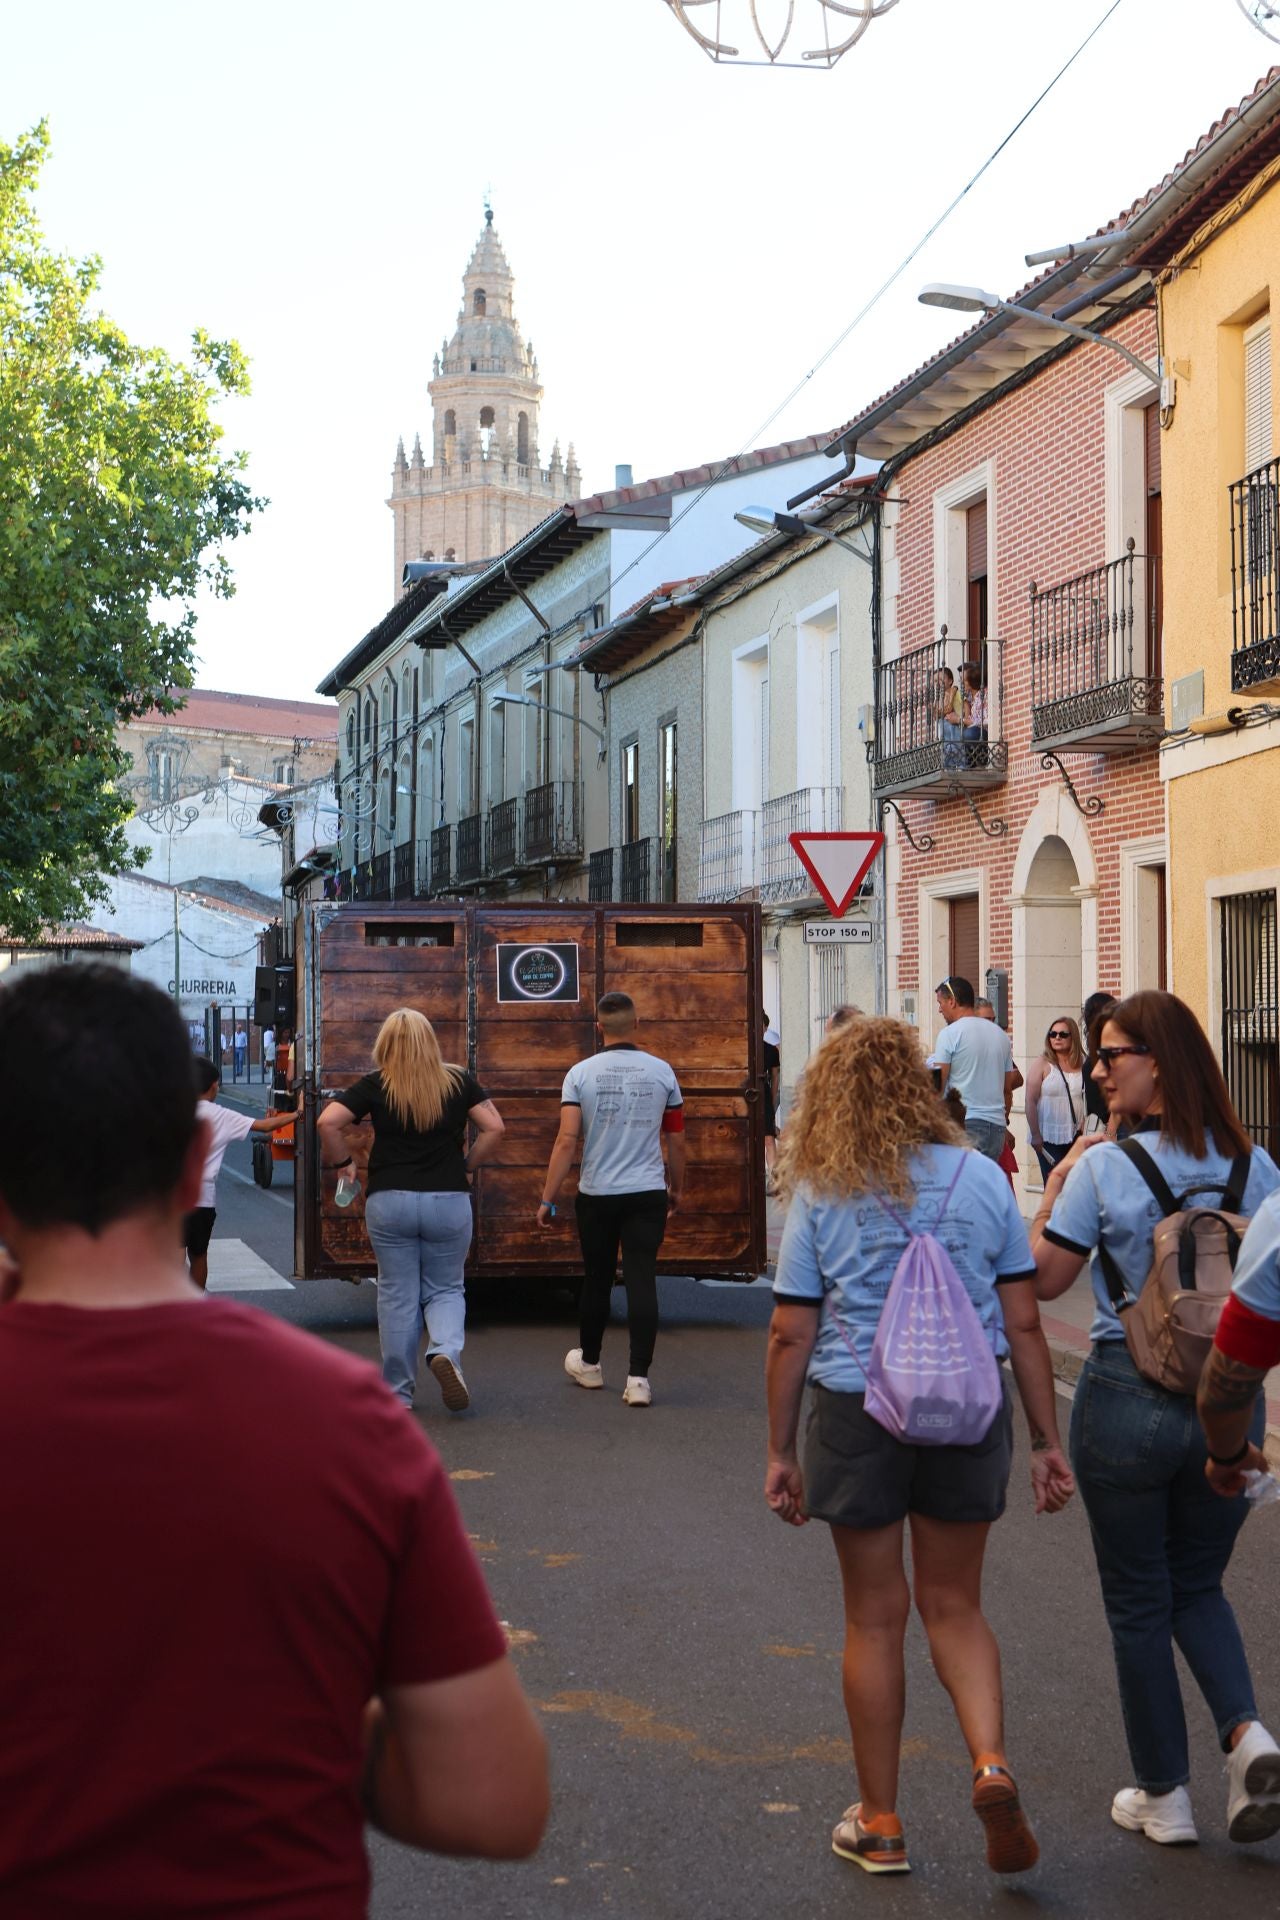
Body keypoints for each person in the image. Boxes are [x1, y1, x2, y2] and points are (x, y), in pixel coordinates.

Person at [0, 964, 548, 1915]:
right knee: (436, 1293)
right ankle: (442, 1352)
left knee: (397, 1297)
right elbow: (493, 1801)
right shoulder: (342, 1423)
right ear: (189, 1163)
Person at [765, 1016, 1073, 1878]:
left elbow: (792, 1333)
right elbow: (1024, 1321)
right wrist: (1047, 1440)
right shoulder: (980, 1179)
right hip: (968, 1409)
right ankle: (990, 1762)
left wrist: (780, 1451)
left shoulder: (824, 1190)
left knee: (874, 1616)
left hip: (857, 1407)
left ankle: (883, 1822)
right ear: (925, 1086)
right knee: (956, 1606)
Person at [1031, 990, 1280, 1848]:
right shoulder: (1262, 1171)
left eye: (1113, 1055)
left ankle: (1164, 1797)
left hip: (1124, 1395)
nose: (1098, 1071)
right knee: (1198, 1584)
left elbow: (1043, 1280)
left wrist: (1056, 1185)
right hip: (1228, 1402)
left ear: (1160, 1067)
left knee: (1139, 1599)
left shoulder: (1104, 1168)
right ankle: (1248, 1736)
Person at [318, 1010, 505, 1413]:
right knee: (446, 1288)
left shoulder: (376, 1084)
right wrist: (467, 1166)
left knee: (397, 1293)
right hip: (448, 1200)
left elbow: (327, 1123)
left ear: (386, 1043)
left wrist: (343, 1165)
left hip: (390, 1202)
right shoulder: (457, 1080)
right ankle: (444, 1352)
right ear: (430, 1042)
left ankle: (398, 1393)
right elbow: (495, 1128)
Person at [539, 991, 686, 1409]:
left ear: (598, 1027)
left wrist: (548, 1198)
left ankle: (589, 1363)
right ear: (637, 1025)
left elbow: (567, 1140)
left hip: (598, 1193)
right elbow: (676, 1139)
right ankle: (638, 1379)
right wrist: (677, 1188)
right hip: (647, 1193)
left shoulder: (579, 1074)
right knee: (642, 1279)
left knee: (597, 1279)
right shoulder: (663, 1073)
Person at [186, 1056, 295, 1288]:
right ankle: (194, 1307)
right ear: (214, 1085)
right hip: (202, 1198)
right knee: (198, 1255)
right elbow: (264, 1126)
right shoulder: (221, 1115)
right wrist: (297, 1114)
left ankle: (170, 1309)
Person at [933, 976, 1019, 1161]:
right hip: (996, 1126)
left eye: (940, 1003)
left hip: (966, 1123)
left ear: (952, 1001)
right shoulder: (1001, 1036)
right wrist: (1004, 1122)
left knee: (963, 1185)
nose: (940, 1009)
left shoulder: (949, 1034)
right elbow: (1007, 1089)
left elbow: (937, 1084)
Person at [1024, 1016, 1086, 1184]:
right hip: (1048, 1135)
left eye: (1063, 1034)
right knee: (1055, 1183)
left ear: (1073, 1036)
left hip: (1077, 1134)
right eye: (1053, 1034)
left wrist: (1087, 1121)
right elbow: (1030, 1101)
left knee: (1075, 1184)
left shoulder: (1084, 1062)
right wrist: (1036, 1134)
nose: (1057, 1038)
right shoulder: (1042, 1063)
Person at [1081, 991, 1118, 1134]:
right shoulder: (1096, 1042)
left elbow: (1120, 1091)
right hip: (1096, 1124)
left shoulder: (1115, 1044)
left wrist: (1111, 1131)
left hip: (1113, 1127)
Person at [762, 1009, 781, 1177]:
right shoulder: (742, 1049)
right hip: (746, 1093)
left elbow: (775, 1077)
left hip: (764, 1093)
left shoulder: (771, 1050)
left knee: (769, 1137)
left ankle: (773, 1177)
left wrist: (773, 1098)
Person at [937, 667, 963, 767]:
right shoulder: (940, 698)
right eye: (936, 680)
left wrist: (962, 717)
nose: (938, 682)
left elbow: (965, 706)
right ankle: (948, 763)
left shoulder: (956, 693)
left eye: (941, 679)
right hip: (947, 724)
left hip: (958, 723)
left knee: (954, 742)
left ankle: (960, 763)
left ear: (950, 681)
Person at [961, 659, 987, 748]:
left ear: (973, 681)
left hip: (984, 734)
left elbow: (984, 722)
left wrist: (960, 720)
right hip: (973, 736)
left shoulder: (985, 694)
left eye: (964, 680)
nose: (961, 683)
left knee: (969, 734)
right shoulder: (969, 698)